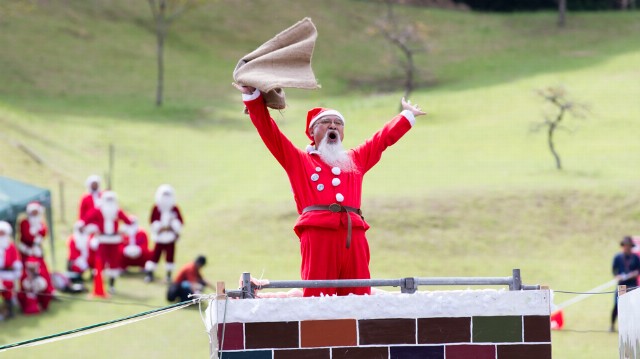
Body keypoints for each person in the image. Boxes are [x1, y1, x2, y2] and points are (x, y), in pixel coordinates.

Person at [233, 84, 425, 297]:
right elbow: (270, 132)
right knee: (318, 295)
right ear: (312, 132)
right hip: (318, 236)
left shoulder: (355, 159)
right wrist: (253, 97)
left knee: (359, 294)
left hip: (354, 235)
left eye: (338, 123)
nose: (333, 126)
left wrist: (406, 116)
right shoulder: (299, 161)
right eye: (326, 123)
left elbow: (380, 141)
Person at [81, 191, 133, 294]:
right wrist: (93, 229)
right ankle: (99, 284)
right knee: (100, 261)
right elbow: (86, 220)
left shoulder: (117, 211)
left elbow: (129, 222)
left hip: (114, 240)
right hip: (103, 240)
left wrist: (122, 230)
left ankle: (112, 285)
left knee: (114, 262)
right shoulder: (98, 210)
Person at [145, 184, 184, 283]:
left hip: (170, 237)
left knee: (170, 257)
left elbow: (180, 222)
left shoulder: (174, 208)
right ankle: (150, 274)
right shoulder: (156, 208)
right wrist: (159, 227)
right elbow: (152, 221)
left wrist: (173, 225)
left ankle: (169, 275)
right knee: (155, 256)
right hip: (159, 237)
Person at [18, 201, 54, 295]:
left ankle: (47, 292)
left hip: (37, 252)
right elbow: (27, 236)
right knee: (27, 273)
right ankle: (28, 295)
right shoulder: (25, 223)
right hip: (27, 252)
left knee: (43, 271)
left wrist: (37, 239)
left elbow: (44, 232)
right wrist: (34, 239)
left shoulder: (40, 223)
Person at [610, 235, 640, 332]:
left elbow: (638, 271)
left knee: (633, 306)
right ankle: (612, 325)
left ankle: (632, 327)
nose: (627, 247)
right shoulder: (618, 257)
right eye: (625, 245)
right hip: (622, 285)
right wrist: (617, 276)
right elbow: (614, 270)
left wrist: (634, 274)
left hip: (633, 285)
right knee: (617, 305)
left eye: (629, 245)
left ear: (631, 246)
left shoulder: (635, 257)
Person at [0, 221, 22, 319]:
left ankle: (9, 310)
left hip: (7, 274)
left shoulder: (11, 246)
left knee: (8, 287)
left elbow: (15, 262)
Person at [66, 220, 93, 291]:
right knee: (77, 267)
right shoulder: (73, 239)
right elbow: (73, 254)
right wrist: (81, 260)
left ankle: (92, 276)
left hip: (86, 257)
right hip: (77, 260)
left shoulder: (87, 237)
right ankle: (77, 280)